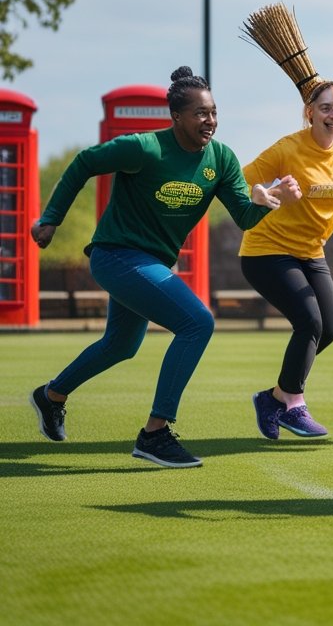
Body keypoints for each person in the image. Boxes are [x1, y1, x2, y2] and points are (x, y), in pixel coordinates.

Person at [28, 66, 301, 468]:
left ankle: (51, 396)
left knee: (121, 345)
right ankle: (155, 433)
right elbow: (85, 162)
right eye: (200, 114)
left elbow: (243, 216)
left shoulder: (221, 158)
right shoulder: (144, 148)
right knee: (197, 322)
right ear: (176, 117)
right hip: (115, 255)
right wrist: (51, 218)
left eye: (213, 112)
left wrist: (267, 202)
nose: (209, 121)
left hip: (150, 262)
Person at [242, 80, 333, 439]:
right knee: (310, 321)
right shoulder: (288, 148)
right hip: (267, 250)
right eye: (325, 107)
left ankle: (273, 399)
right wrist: (270, 193)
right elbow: (242, 182)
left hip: (311, 251)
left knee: (328, 330)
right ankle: (294, 405)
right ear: (309, 112)